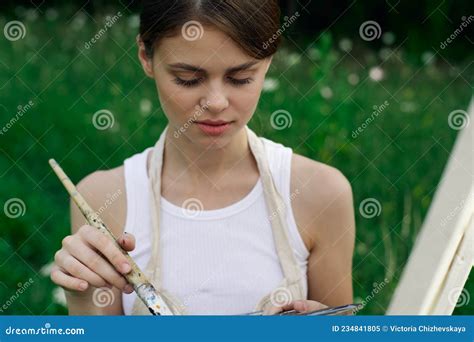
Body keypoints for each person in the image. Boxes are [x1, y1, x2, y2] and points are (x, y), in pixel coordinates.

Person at [51, 0, 355, 315]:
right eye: (188, 78)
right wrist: (83, 295)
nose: (215, 102)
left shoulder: (321, 194)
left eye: (240, 78)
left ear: (268, 62)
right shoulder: (104, 197)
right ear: (146, 56)